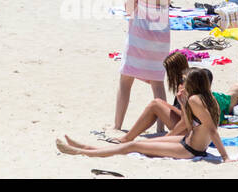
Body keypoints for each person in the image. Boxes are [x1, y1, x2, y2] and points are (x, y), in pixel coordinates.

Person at [60, 67, 227, 161]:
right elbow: (193, 127)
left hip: (190, 149)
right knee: (139, 143)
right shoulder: (208, 98)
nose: (182, 83)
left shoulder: (195, 100)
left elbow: (212, 130)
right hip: (189, 142)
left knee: (135, 146)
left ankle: (83, 152)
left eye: (185, 80)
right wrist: (183, 106)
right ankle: (89, 148)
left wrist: (225, 157)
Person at [114, 0, 173, 131]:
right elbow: (163, 4)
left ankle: (117, 125)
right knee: (157, 82)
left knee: (125, 80)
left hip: (141, 34)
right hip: (161, 35)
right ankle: (161, 129)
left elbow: (129, 7)